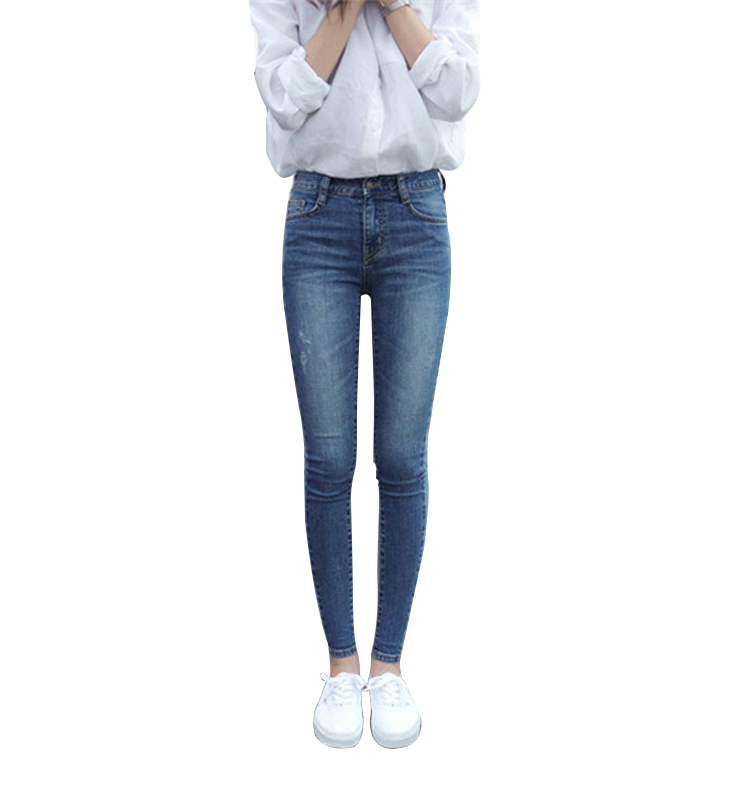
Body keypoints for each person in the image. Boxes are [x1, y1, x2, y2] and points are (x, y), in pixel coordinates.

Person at [249, 0, 480, 748]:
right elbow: (282, 98)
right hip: (318, 213)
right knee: (329, 459)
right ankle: (342, 666)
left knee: (402, 457)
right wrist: (344, 12)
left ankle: (390, 666)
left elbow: (460, 90)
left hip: (417, 213)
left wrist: (394, 6)